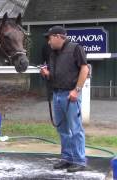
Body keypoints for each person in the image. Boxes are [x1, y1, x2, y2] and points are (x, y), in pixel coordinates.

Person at [40, 26, 89, 172]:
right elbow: (54, 75)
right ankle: (67, 158)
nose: (49, 42)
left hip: (70, 95)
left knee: (75, 129)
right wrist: (46, 73)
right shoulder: (53, 53)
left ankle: (79, 161)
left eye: (50, 38)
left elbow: (85, 69)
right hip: (56, 94)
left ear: (58, 36)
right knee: (62, 130)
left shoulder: (75, 48)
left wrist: (76, 90)